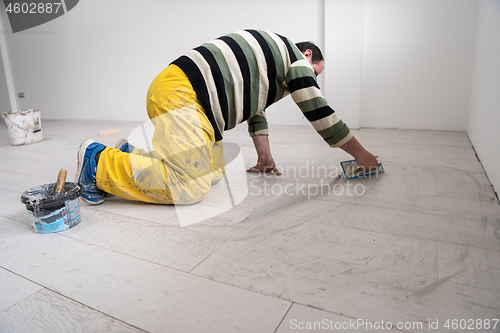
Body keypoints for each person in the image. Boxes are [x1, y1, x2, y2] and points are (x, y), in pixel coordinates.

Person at [75, 29, 378, 205]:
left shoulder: (271, 66)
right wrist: (362, 155)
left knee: (213, 173)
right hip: (182, 93)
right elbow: (318, 109)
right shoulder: (296, 60)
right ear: (309, 56)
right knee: (189, 186)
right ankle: (97, 161)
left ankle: (131, 156)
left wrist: (265, 158)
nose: (312, 80)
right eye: (315, 74)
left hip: (195, 104)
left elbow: (255, 112)